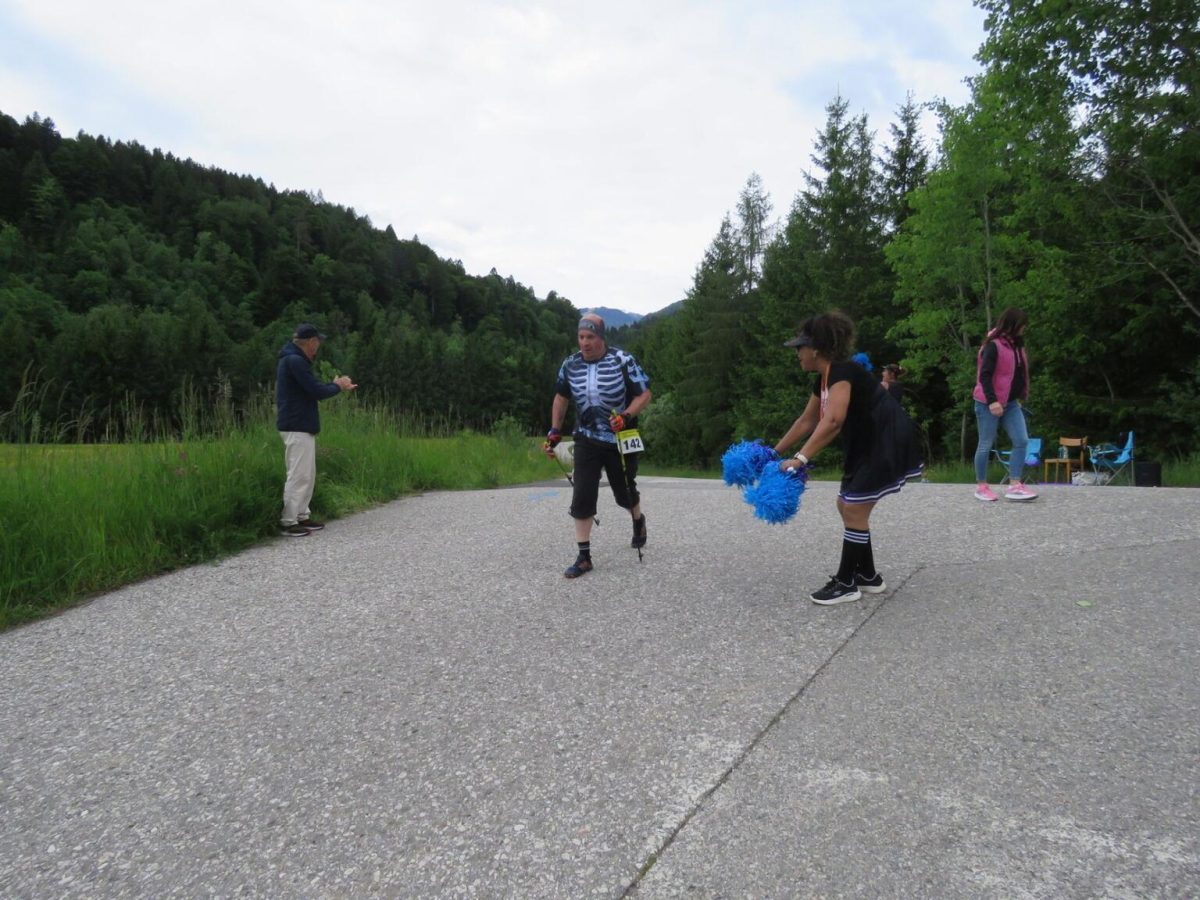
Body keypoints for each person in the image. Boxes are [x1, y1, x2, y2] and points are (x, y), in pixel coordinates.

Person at [775, 311, 924, 605]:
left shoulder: (842, 371)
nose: (797, 354)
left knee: (854, 508)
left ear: (815, 349)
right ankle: (867, 575)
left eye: (799, 347)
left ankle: (846, 583)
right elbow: (807, 420)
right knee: (846, 505)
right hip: (867, 445)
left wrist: (800, 459)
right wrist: (773, 452)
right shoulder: (824, 379)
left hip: (885, 441)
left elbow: (833, 420)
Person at [545, 313, 652, 578]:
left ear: (601, 337)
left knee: (624, 493)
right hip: (586, 438)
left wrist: (626, 415)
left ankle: (638, 519)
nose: (585, 342)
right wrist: (555, 432)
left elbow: (644, 394)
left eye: (590, 337)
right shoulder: (570, 364)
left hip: (620, 437)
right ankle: (584, 557)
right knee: (582, 493)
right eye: (581, 337)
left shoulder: (623, 360)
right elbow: (561, 397)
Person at [275, 323, 357, 537]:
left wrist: (334, 385)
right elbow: (316, 390)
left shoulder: (293, 360)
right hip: (296, 425)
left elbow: (314, 387)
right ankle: (288, 521)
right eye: (318, 342)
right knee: (298, 474)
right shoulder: (295, 361)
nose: (318, 347)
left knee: (307, 474)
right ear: (311, 342)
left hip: (301, 425)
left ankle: (302, 515)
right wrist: (338, 386)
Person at [972, 307, 1037, 502]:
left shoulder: (1017, 345)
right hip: (988, 402)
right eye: (1022, 325)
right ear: (1013, 325)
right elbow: (984, 375)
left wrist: (1020, 393)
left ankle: (1015, 484)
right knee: (986, 443)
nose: (1024, 328)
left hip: (1011, 403)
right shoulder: (993, 346)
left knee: (1021, 440)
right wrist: (992, 401)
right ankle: (982, 486)